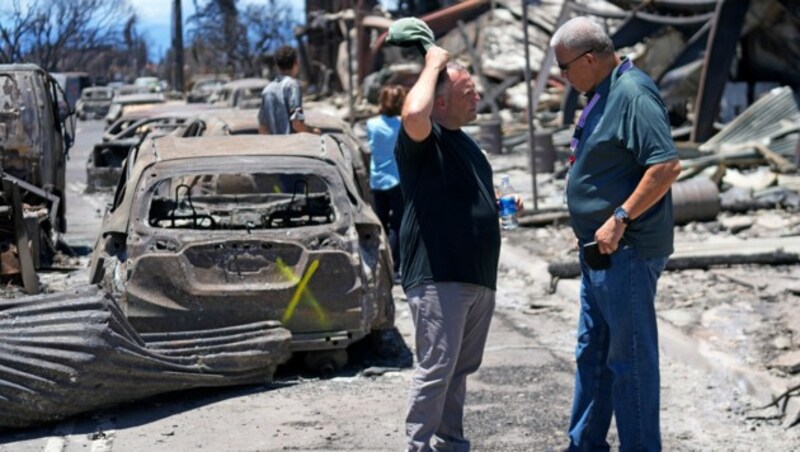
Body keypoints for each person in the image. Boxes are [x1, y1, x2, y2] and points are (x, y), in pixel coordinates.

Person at [551, 17, 682, 451]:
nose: (562, 78)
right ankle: (584, 444)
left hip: (624, 249)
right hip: (599, 252)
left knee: (630, 365)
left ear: (590, 58)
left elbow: (665, 166)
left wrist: (620, 216)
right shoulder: (602, 92)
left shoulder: (633, 92)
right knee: (593, 355)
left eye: (565, 68)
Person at [395, 46, 502, 452]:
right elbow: (412, 115)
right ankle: (418, 447)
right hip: (439, 273)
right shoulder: (424, 138)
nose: (477, 98)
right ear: (441, 101)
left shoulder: (466, 144)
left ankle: (451, 444)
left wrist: (493, 204)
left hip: (476, 276)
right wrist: (434, 63)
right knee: (438, 368)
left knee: (458, 370)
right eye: (468, 92)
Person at [367, 85, 407, 281]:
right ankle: (395, 268)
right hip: (397, 180)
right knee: (396, 226)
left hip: (377, 180)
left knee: (380, 223)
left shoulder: (371, 124)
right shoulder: (402, 125)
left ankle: (378, 265)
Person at [257, 45, 319, 135]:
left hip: (273, 147)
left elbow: (262, 128)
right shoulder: (293, 86)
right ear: (296, 63)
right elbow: (297, 124)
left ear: (278, 66)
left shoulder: (267, 89)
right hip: (292, 145)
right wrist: (313, 131)